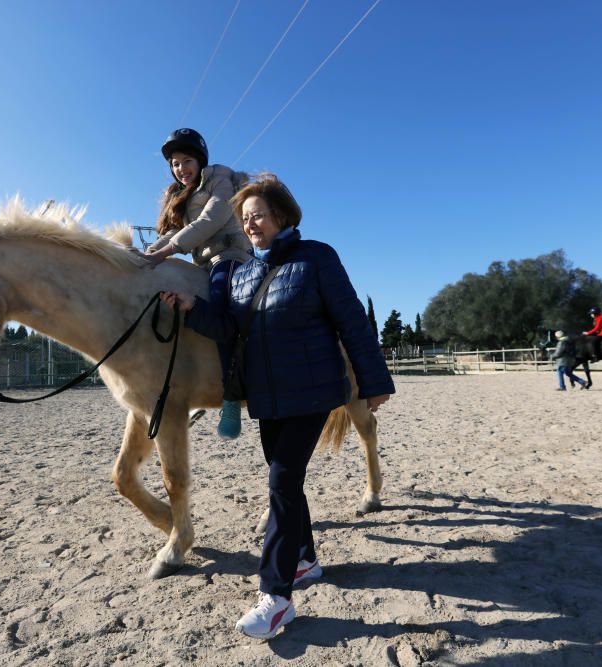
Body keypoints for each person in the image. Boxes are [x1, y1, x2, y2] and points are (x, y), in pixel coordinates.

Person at [160, 173, 394, 640]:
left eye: (259, 216)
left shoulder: (318, 258)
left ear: (282, 216)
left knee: (282, 485)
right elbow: (230, 329)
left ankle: (277, 597)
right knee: (286, 483)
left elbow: (352, 319)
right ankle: (304, 561)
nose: (251, 225)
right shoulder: (242, 272)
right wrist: (191, 306)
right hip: (267, 400)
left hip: (312, 393)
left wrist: (373, 381)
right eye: (245, 219)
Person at [145, 128, 253, 439]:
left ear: (201, 160)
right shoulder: (181, 195)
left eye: (187, 160)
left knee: (218, 309)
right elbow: (176, 232)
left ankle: (231, 396)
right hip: (203, 264)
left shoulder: (220, 176)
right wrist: (144, 255)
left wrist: (165, 252)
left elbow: (211, 220)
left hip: (230, 257)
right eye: (175, 164)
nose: (181, 169)